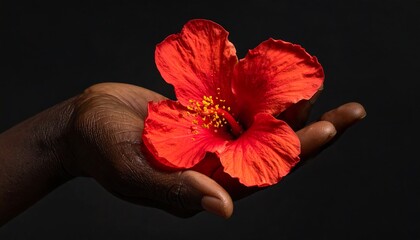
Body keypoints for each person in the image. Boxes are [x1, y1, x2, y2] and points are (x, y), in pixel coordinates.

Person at [0, 82, 366, 226]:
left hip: (250, 138)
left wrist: (65, 135)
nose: (215, 109)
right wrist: (67, 135)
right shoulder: (209, 115)